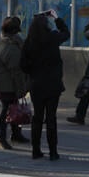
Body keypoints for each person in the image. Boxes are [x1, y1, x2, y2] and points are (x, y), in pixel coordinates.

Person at [19, 10, 70, 160]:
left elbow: (23, 64)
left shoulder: (29, 41)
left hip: (36, 84)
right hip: (53, 83)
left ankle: (36, 150)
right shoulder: (53, 37)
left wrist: (32, 72)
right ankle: (53, 152)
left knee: (37, 117)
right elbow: (66, 33)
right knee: (51, 118)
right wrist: (57, 18)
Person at [0, 16, 31, 150]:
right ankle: (1, 137)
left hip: (6, 82)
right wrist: (21, 88)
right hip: (6, 84)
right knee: (6, 109)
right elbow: (16, 70)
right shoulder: (10, 46)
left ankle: (15, 134)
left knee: (13, 108)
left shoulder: (8, 42)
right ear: (15, 30)